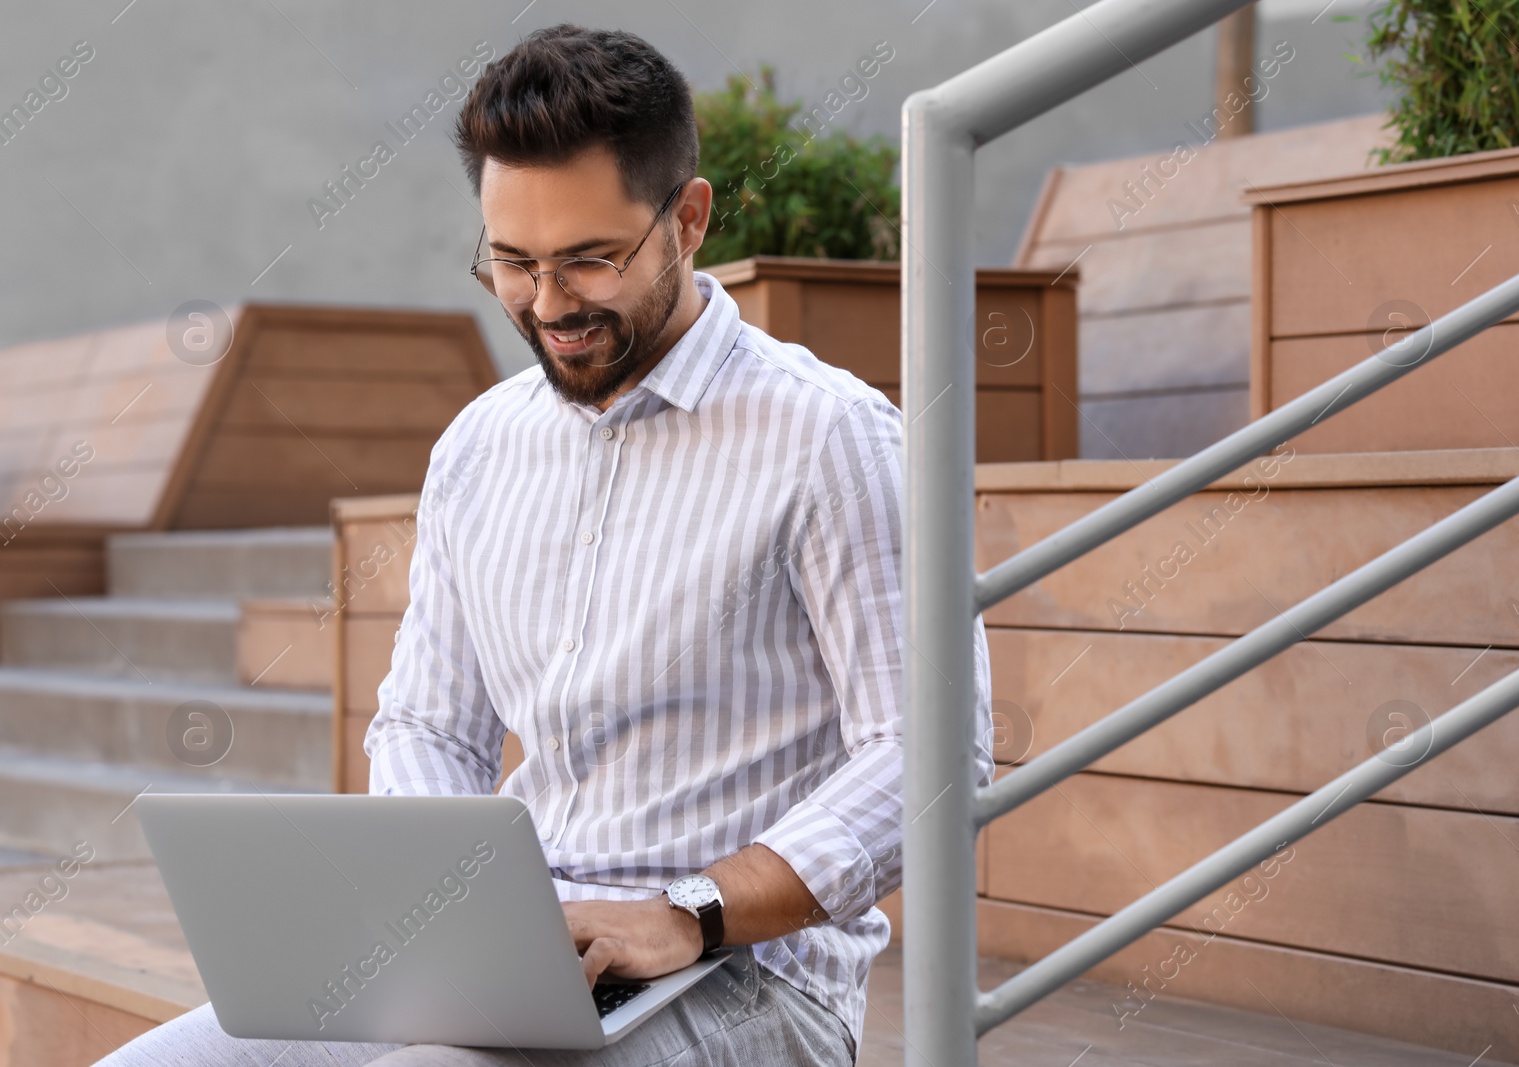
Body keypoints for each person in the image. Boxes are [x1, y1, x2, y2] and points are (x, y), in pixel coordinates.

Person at [97, 22, 992, 1066]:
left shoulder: (831, 437)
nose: (548, 303)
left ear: (688, 218)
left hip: (750, 980)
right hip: (522, 955)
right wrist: (451, 920)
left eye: (589, 259)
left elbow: (929, 754)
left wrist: (687, 911)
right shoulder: (480, 445)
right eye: (513, 263)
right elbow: (430, 720)